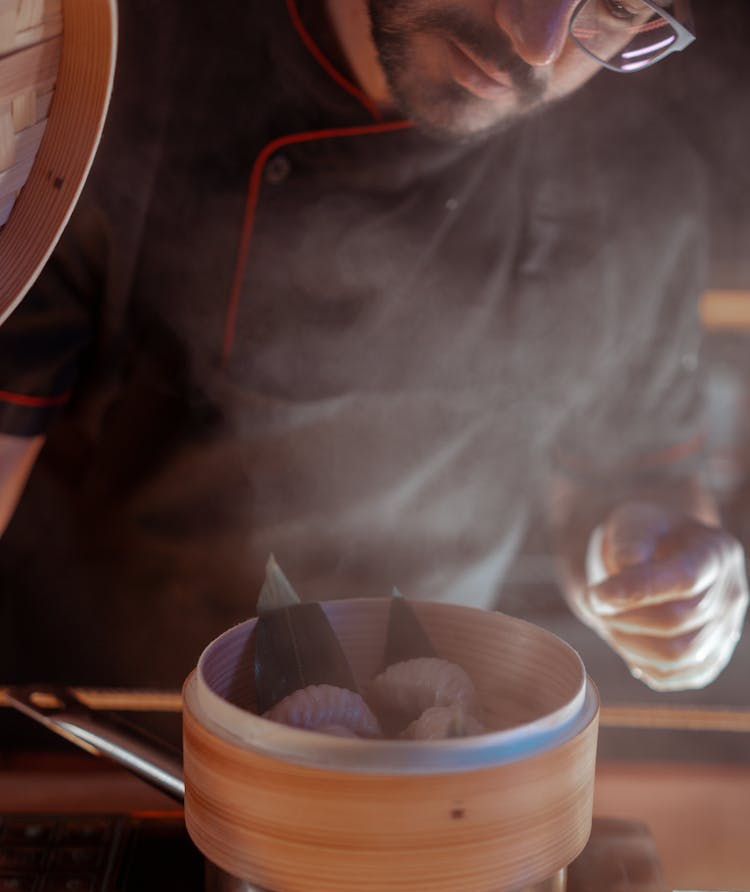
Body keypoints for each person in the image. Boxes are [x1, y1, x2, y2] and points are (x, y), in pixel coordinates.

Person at [0, 0, 746, 692]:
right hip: (94, 717)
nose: (537, 42)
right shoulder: (111, 82)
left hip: (420, 731)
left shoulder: (628, 175)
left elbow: (626, 486)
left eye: (616, 6)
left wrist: (665, 582)